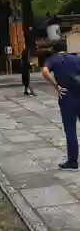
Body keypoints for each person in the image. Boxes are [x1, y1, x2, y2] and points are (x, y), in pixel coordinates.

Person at [42, 40, 80, 171]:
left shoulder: (53, 59)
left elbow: (45, 71)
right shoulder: (76, 58)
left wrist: (56, 85)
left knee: (70, 131)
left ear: (54, 49)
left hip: (66, 97)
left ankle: (73, 161)